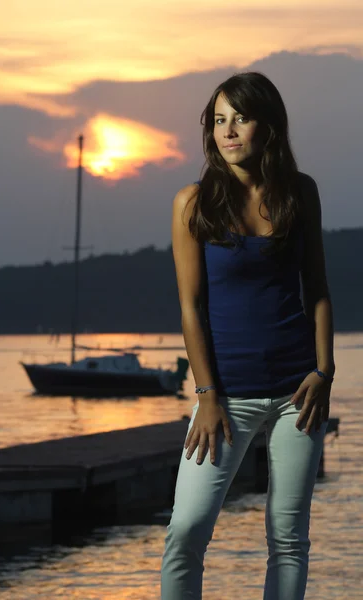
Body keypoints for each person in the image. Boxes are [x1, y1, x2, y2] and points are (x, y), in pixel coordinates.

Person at [160, 71, 335, 600]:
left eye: (241, 117)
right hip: (225, 397)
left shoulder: (300, 193)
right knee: (186, 531)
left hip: (296, 393)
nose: (228, 130)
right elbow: (191, 307)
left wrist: (324, 371)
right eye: (219, 120)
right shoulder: (192, 203)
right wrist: (207, 395)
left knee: (287, 537)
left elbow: (318, 289)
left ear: (269, 125)